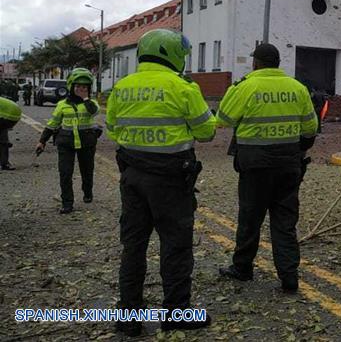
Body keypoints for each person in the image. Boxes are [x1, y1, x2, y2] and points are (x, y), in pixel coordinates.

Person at [106, 29, 216, 336]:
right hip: (170, 179)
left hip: (132, 176)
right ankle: (176, 314)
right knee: (175, 247)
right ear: (172, 54)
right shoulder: (182, 87)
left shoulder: (122, 87)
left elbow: (113, 129)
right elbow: (207, 131)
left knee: (133, 246)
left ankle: (128, 317)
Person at [216, 44, 318, 293]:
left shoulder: (245, 87)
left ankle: (242, 268)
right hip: (288, 164)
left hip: (255, 165)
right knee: (285, 222)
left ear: (256, 63)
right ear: (278, 62)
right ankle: (289, 277)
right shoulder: (297, 88)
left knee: (250, 218)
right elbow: (310, 129)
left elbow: (222, 120)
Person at [36, 68, 101, 214]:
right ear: (71, 87)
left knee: (87, 170)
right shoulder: (62, 105)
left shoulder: (91, 103)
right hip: (66, 143)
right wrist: (42, 141)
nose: (80, 89)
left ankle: (87, 192)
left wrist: (85, 99)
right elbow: (52, 124)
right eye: (77, 86)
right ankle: (67, 202)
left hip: (87, 142)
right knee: (65, 173)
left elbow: (94, 112)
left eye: (84, 87)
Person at [0, 95, 21, 170]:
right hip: (13, 113)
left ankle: (4, 163)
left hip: (8, 116)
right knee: (3, 140)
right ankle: (4, 163)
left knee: (3, 142)